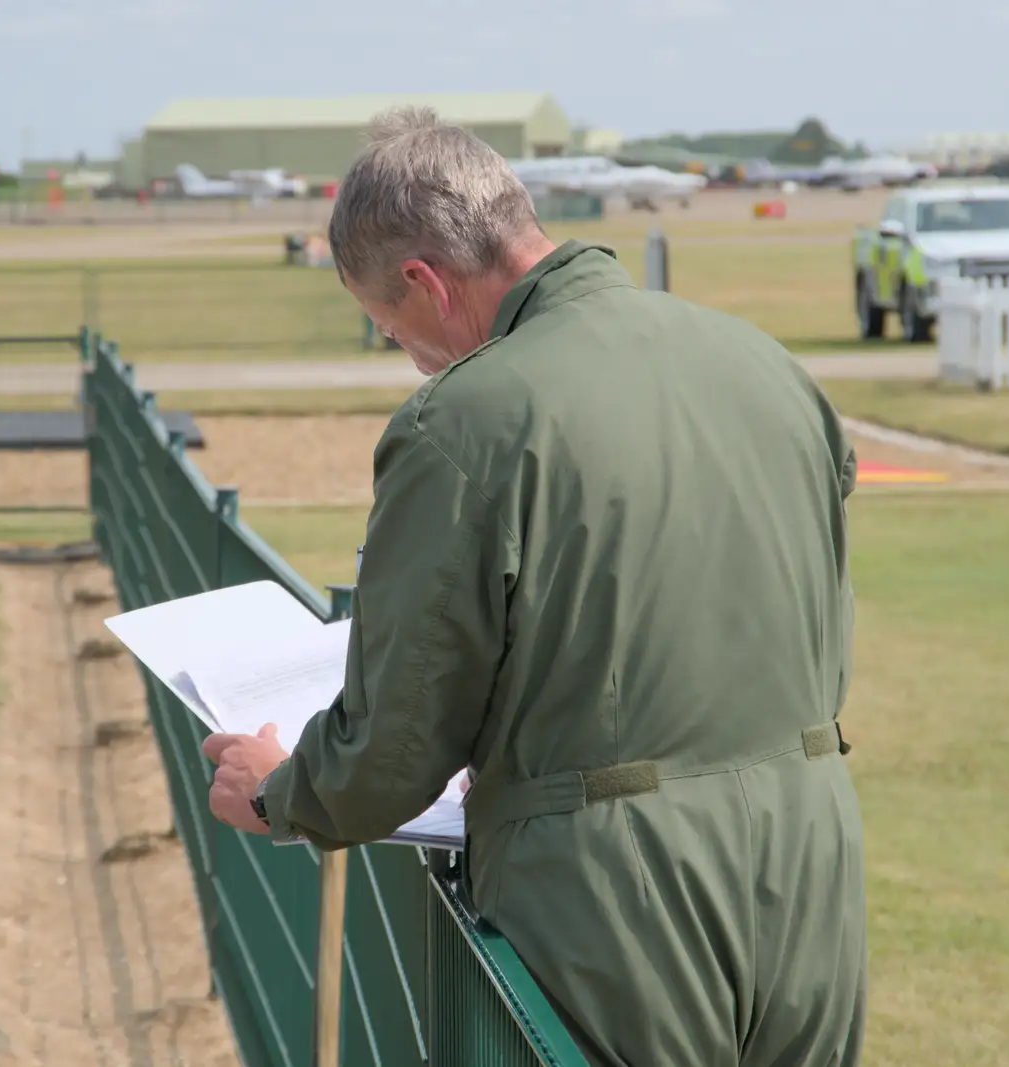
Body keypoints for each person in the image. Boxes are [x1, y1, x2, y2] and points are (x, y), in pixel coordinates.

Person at [202, 106, 866, 1067]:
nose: (413, 357)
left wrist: (281, 794)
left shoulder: (462, 422)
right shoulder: (768, 365)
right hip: (815, 865)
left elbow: (393, 742)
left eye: (394, 330)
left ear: (424, 284)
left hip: (617, 902)